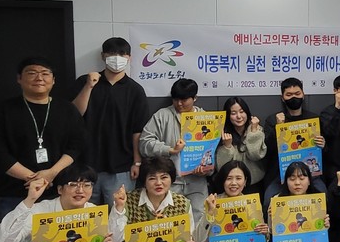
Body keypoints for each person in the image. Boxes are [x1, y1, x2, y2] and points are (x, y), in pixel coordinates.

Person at [0, 56, 86, 242]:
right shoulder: (3, 110)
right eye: (32, 72)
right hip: (14, 192)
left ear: (53, 80)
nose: (39, 77)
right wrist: (31, 177)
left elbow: (77, 145)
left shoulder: (66, 109)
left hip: (57, 192)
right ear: (19, 79)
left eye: (45, 73)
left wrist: (50, 173)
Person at [71, 37, 149, 206]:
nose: (117, 58)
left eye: (122, 54)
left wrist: (137, 162)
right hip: (85, 164)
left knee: (118, 213)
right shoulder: (85, 81)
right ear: (103, 56)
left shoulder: (135, 90)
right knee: (84, 215)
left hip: (121, 166)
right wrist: (89, 86)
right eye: (112, 53)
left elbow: (138, 130)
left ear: (129, 58)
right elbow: (75, 114)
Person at [139, 78, 211, 227]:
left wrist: (207, 169)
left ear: (195, 98)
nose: (179, 103)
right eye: (176, 99)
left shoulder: (206, 119)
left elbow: (212, 151)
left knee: (199, 220)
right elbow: (144, 143)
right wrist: (169, 150)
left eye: (184, 100)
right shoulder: (162, 115)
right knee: (168, 221)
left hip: (197, 181)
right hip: (170, 181)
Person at [262, 78, 326, 207]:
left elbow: (324, 151)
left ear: (303, 95)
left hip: (310, 174)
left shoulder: (314, 119)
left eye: (297, 93)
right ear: (282, 98)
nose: (294, 97)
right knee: (268, 202)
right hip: (280, 175)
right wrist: (279, 128)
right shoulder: (273, 120)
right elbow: (268, 150)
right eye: (289, 95)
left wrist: (323, 145)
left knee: (324, 198)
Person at [271, 161, 330, 242]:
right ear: (286, 182)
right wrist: (271, 218)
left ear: (309, 181)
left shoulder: (317, 200)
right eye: (292, 179)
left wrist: (326, 225)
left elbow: (321, 233)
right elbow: (270, 233)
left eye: (302, 178)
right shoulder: (276, 200)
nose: (297, 183)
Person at [216, 97, 267, 194]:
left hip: (254, 183)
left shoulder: (257, 130)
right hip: (230, 187)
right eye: (233, 113)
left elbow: (255, 156)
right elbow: (222, 168)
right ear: (228, 115)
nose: (239, 116)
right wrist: (227, 146)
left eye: (242, 112)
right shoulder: (222, 133)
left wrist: (253, 133)